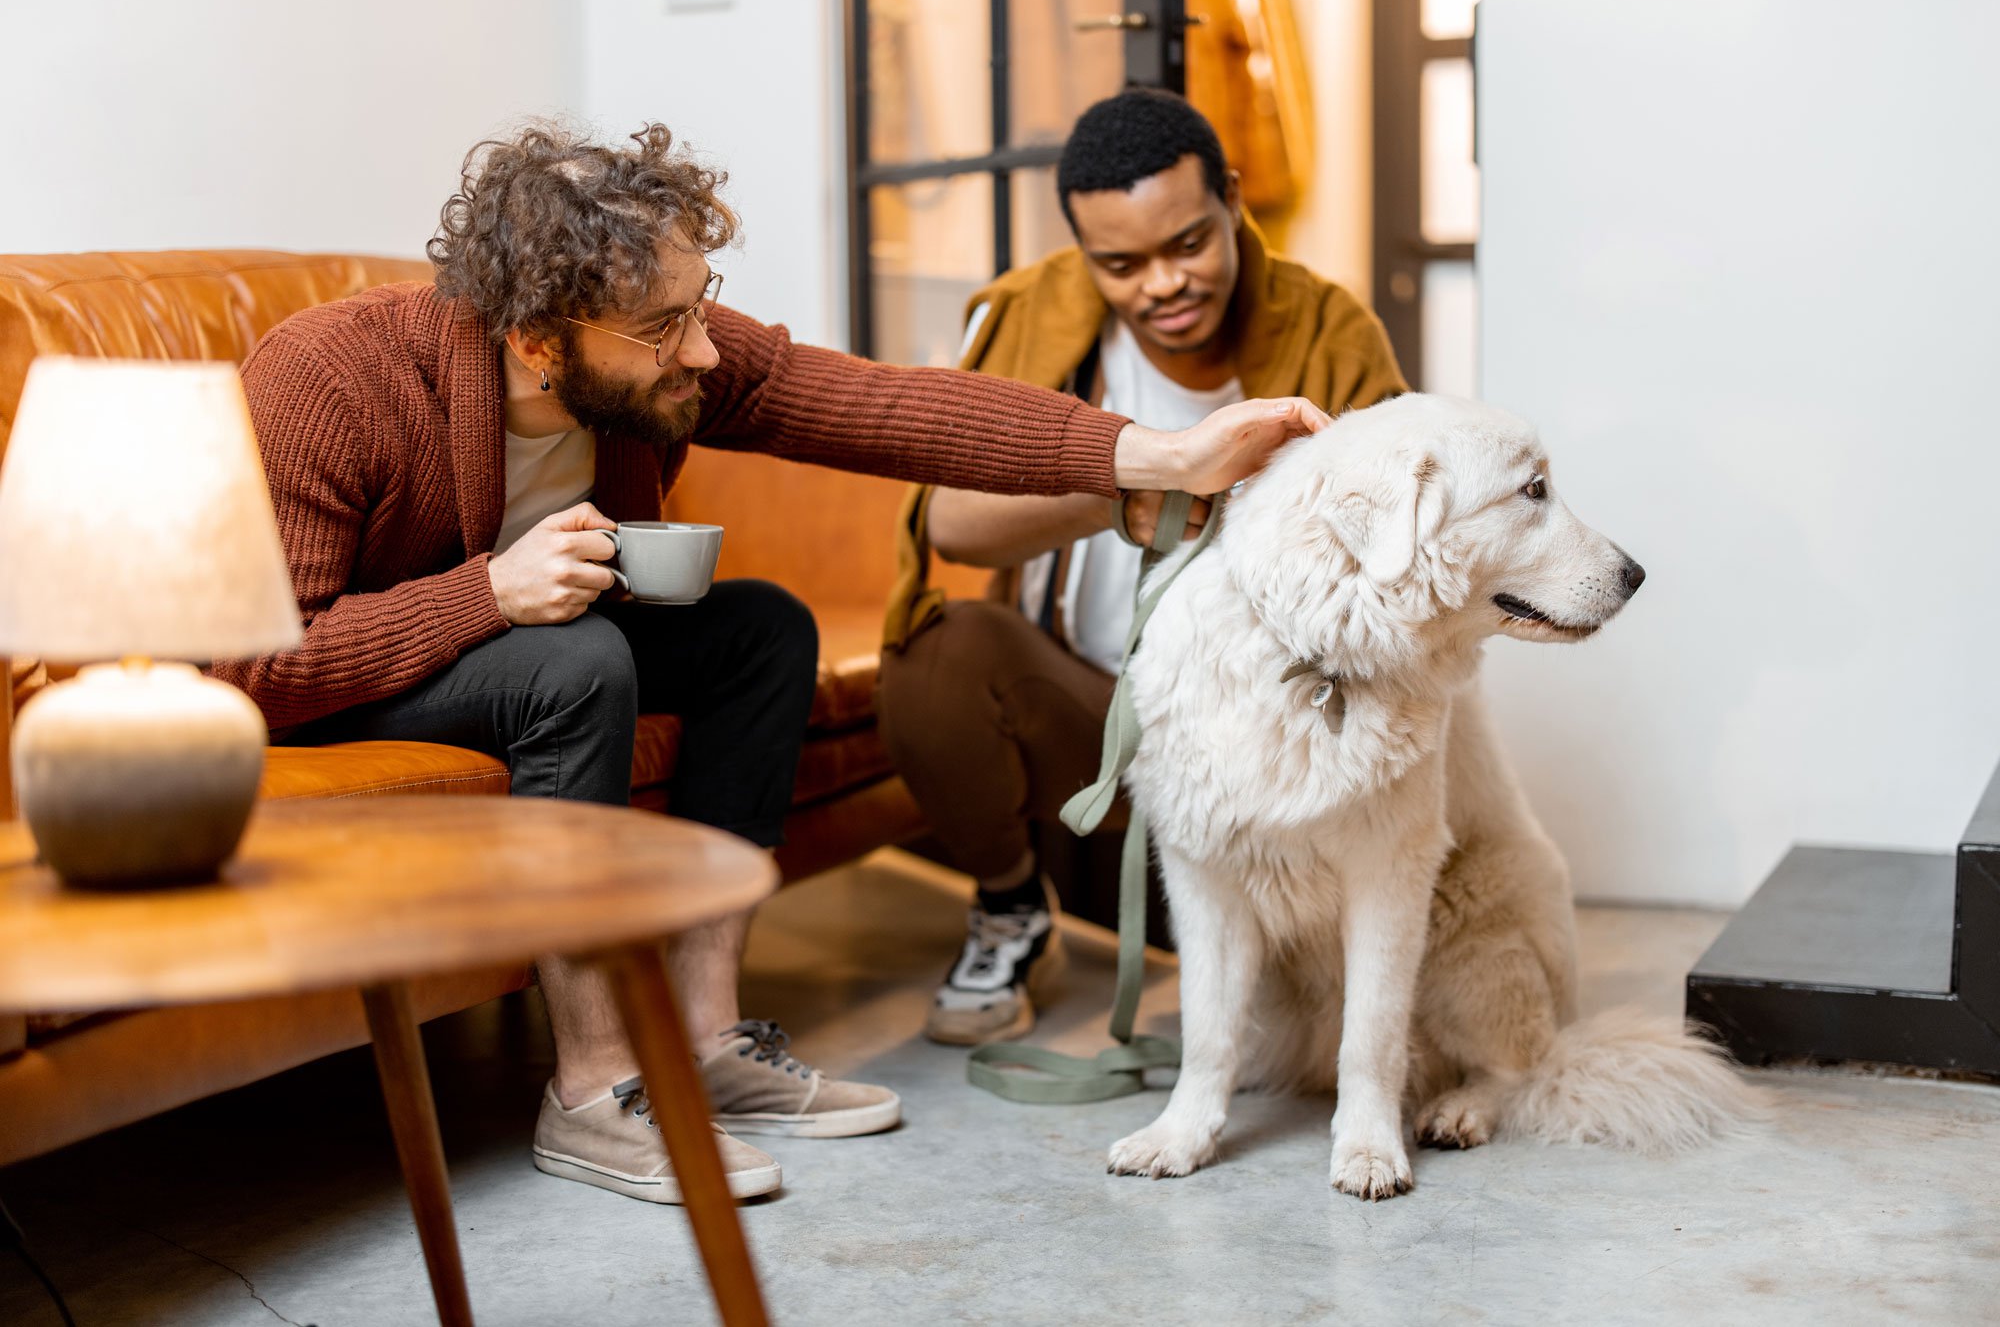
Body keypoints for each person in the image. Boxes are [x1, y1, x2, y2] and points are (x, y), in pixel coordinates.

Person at [210, 120, 1329, 1205]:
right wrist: (485, 593)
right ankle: (594, 1085)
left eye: (700, 306)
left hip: (531, 639)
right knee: (579, 659)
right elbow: (257, 669)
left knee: (759, 631)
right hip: (354, 685)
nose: (701, 347)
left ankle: (705, 1041)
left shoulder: (652, 355)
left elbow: (885, 407)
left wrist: (1160, 452)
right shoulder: (331, 380)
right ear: (540, 340)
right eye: (666, 326)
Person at [877, 89, 1406, 1047]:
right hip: (1096, 711)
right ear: (1082, 249)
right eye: (1120, 264)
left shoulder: (1332, 331)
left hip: (1272, 734)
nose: (1163, 283)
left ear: (1234, 200)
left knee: (1287, 1023)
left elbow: (1401, 554)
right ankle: (1011, 907)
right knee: (936, 654)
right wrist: (1125, 485)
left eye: (1190, 244)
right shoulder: (1030, 314)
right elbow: (950, 521)